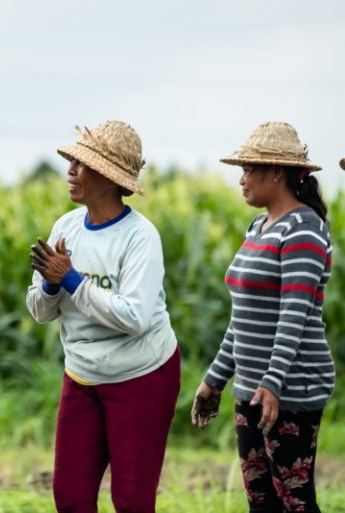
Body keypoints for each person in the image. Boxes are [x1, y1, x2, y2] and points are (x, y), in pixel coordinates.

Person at [26, 121, 180, 513]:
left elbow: (135, 317)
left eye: (82, 164)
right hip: (82, 375)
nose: (70, 171)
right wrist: (49, 285)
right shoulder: (66, 227)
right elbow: (40, 312)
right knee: (71, 497)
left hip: (141, 375)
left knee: (131, 501)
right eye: (71, 162)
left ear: (110, 178)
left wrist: (71, 279)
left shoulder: (140, 236)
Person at [193, 121, 335, 513]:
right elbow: (243, 319)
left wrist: (273, 383)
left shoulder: (304, 230)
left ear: (277, 172)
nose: (241, 180)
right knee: (261, 501)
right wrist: (216, 378)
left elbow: (293, 315)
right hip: (254, 389)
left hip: (292, 390)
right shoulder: (259, 226)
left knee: (295, 501)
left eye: (249, 170)